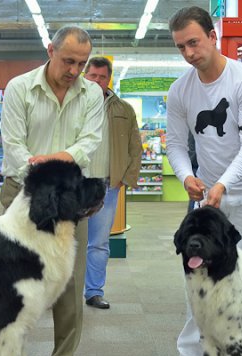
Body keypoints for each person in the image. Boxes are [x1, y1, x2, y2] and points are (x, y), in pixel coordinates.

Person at [150, 6, 242, 356]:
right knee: (197, 276)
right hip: (206, 197)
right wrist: (187, 176)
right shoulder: (180, 90)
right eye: (181, 47)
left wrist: (223, 185)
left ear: (213, 37)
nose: (188, 53)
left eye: (194, 42)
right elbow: (173, 143)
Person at [0, 25, 104, 356]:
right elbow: (13, 144)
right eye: (69, 61)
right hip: (22, 193)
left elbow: (88, 142)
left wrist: (56, 162)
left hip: (71, 197)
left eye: (82, 63)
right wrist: (39, 171)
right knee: (14, 282)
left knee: (69, 279)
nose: (75, 70)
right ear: (50, 51)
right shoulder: (19, 88)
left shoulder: (91, 93)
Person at [83, 56, 142, 309]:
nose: (97, 81)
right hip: (74, 185)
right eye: (92, 76)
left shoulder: (124, 109)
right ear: (85, 76)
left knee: (99, 243)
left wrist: (124, 180)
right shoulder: (72, 104)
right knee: (65, 242)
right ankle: (61, 294)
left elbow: (135, 147)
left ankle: (94, 291)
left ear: (109, 79)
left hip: (107, 186)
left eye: (102, 77)